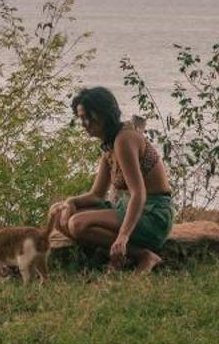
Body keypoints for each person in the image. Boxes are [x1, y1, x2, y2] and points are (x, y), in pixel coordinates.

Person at [47, 86, 174, 273]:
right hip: (126, 208)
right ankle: (119, 255)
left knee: (77, 224)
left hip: (153, 215)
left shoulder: (124, 139)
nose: (84, 123)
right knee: (58, 214)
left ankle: (143, 255)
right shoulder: (109, 144)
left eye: (87, 117)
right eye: (80, 117)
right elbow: (97, 194)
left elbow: (139, 194)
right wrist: (70, 202)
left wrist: (123, 236)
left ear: (103, 114)